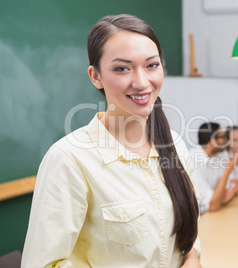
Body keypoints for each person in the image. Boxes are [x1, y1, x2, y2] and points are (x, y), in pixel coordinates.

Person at [22, 14, 201, 268]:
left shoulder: (175, 145)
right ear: (95, 77)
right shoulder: (69, 159)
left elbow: (189, 233)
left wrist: (192, 257)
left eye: (152, 65)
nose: (141, 82)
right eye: (122, 68)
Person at [189, 122, 238, 214]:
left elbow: (230, 189)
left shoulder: (217, 158)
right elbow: (212, 205)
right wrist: (228, 170)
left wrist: (218, 197)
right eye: (222, 137)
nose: (226, 141)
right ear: (212, 141)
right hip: (197, 218)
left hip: (210, 214)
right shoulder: (192, 161)